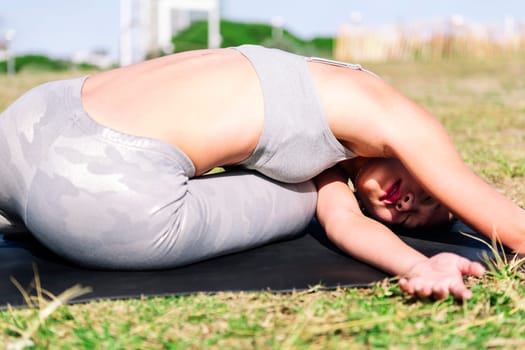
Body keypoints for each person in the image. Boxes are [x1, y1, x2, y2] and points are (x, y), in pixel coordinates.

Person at [0, 45, 522, 300]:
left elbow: (345, 222)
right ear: (437, 165)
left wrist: (417, 264)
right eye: (431, 191)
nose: (411, 204)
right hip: (103, 190)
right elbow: (505, 221)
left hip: (30, 122)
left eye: (412, 218)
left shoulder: (329, 133)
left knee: (306, 189)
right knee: (295, 195)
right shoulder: (397, 115)